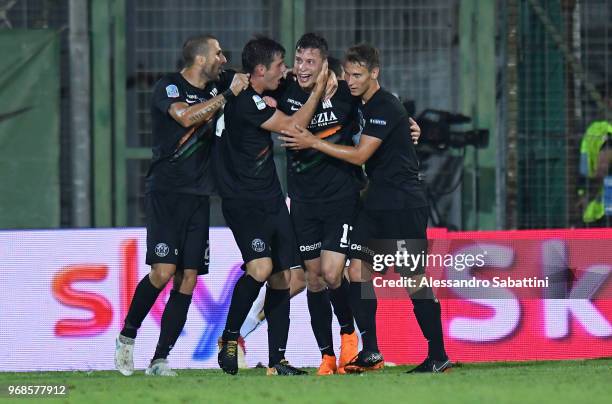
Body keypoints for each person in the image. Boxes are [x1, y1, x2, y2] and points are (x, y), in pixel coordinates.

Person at [280, 43, 451, 373]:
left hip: (402, 202)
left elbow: (360, 156)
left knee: (412, 277)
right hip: (373, 202)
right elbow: (310, 77)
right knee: (356, 270)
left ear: (375, 73)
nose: (351, 80)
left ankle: (438, 354)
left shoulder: (385, 105)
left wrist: (313, 142)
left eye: (358, 75)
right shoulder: (358, 99)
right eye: (347, 74)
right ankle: (370, 349)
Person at [114, 34, 249, 376]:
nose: (223, 58)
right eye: (218, 53)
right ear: (201, 59)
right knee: (162, 272)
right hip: (166, 192)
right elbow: (186, 118)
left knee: (188, 277)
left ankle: (160, 359)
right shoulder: (169, 87)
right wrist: (225, 96)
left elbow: (256, 77)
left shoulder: (216, 88)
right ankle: (127, 338)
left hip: (199, 195)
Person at [214, 36, 331, 376]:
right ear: (261, 70)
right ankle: (230, 338)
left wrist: (301, 76)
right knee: (262, 269)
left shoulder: (244, 87)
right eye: (280, 66)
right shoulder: (245, 103)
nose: (286, 72)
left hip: (271, 198)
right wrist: (316, 89)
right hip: (244, 202)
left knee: (284, 277)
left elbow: (236, 77)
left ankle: (278, 361)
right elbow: (294, 126)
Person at [271, 33, 361, 375]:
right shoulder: (287, 91)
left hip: (340, 199)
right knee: (313, 278)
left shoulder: (346, 95)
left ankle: (349, 335)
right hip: (304, 202)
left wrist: (408, 123)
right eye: (300, 61)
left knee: (332, 272)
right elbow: (253, 86)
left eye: (311, 61)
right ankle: (327, 356)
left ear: (325, 64)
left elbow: (381, 104)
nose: (303, 68)